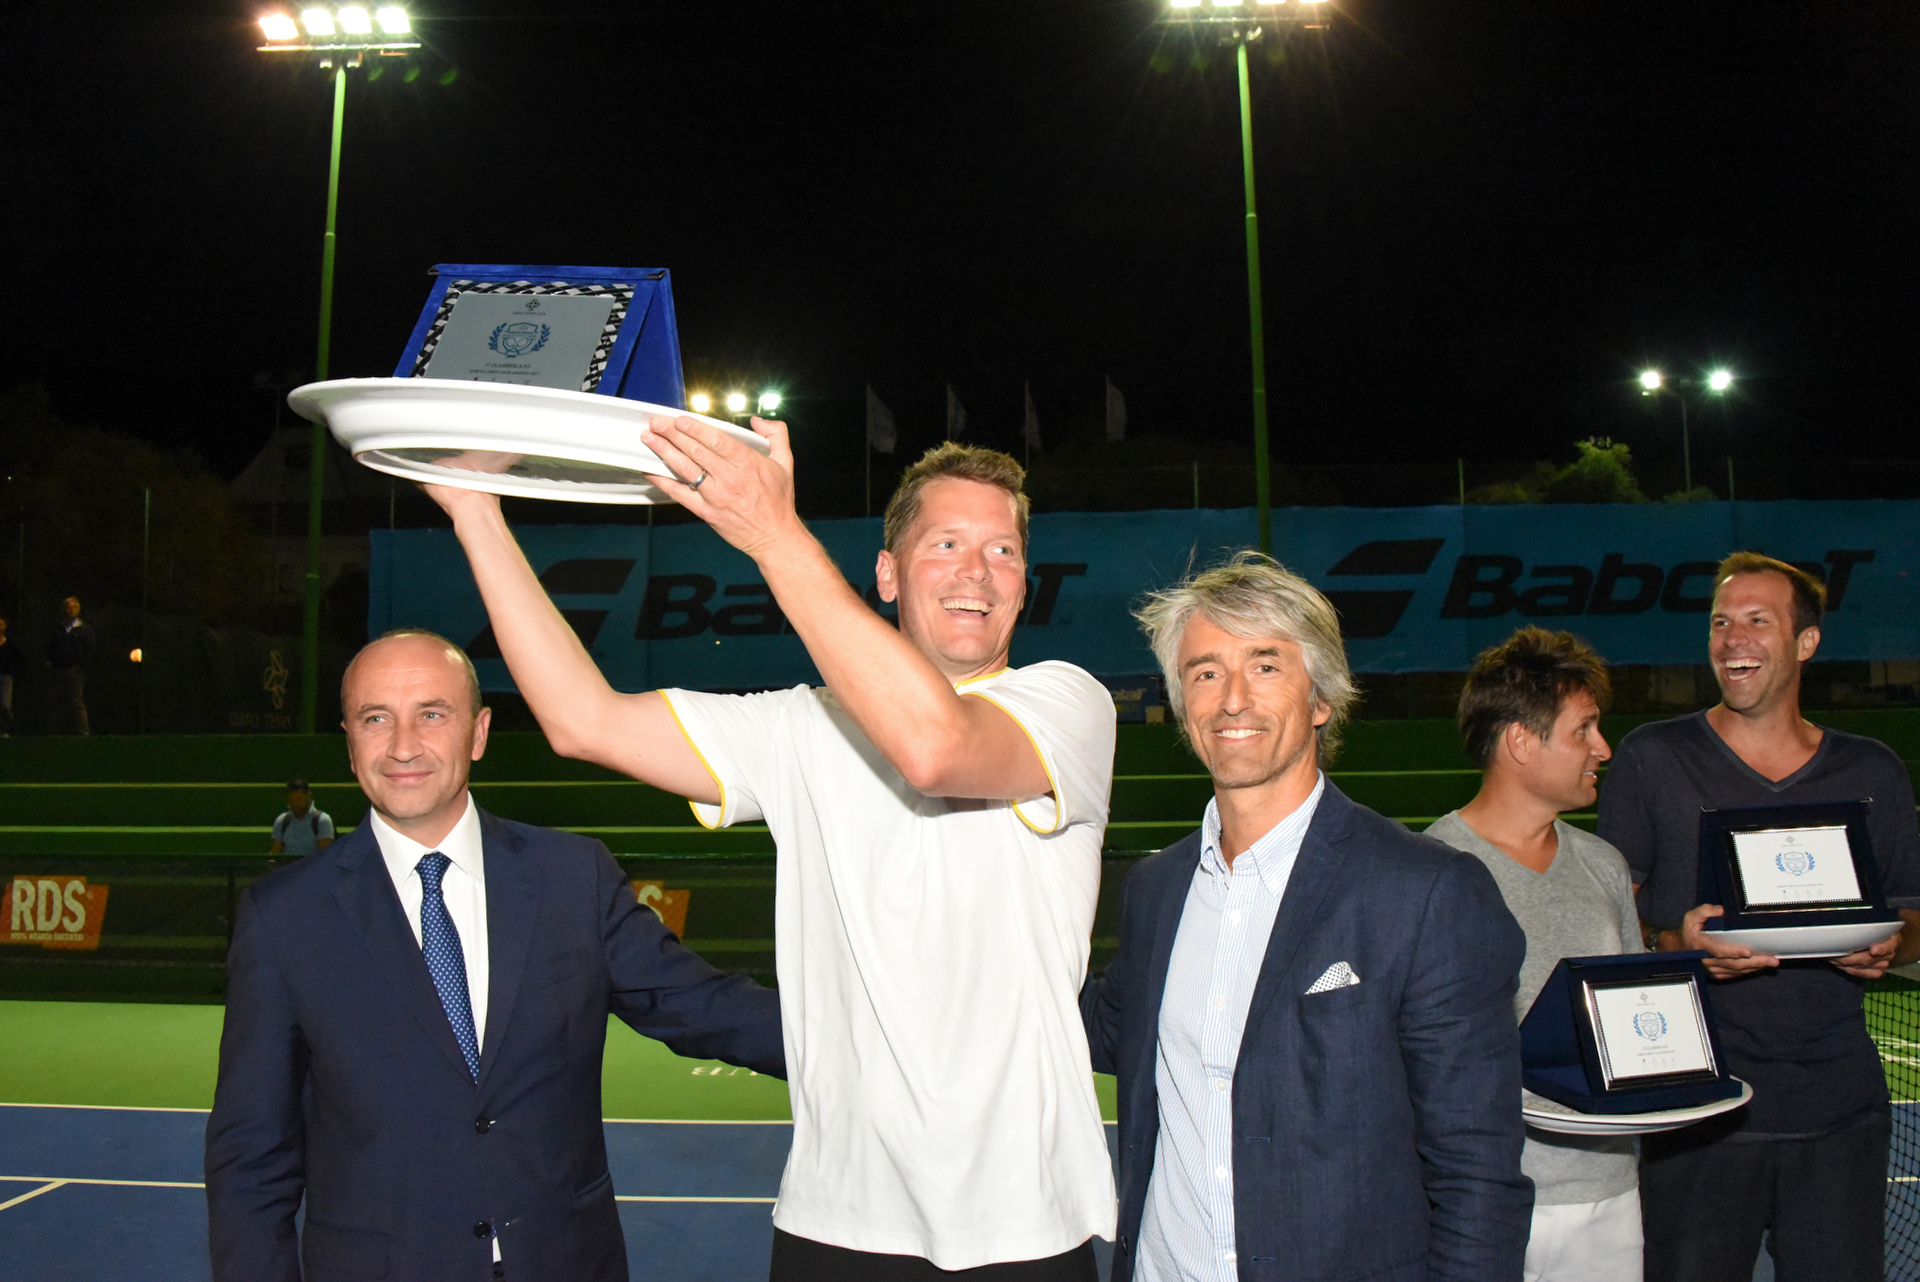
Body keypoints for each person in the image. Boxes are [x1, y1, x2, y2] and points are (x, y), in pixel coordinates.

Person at [424, 429, 1117, 1280]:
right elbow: (583, 720)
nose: (977, 570)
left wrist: (775, 535)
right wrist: (474, 511)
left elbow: (934, 749)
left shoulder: (1066, 705)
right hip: (835, 1221)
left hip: (1022, 1226)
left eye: (1001, 550)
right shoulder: (800, 726)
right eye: (946, 544)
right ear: (888, 573)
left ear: (1023, 584)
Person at [204, 630, 784, 1282]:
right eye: (376, 719)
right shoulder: (284, 917)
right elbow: (251, 1156)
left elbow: (705, 1007)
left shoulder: (573, 876)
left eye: (432, 714)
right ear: (349, 741)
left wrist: (867, 1040)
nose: (402, 745)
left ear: (478, 733)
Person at [1082, 552, 1533, 1282]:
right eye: (1205, 672)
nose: (1232, 700)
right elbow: (1092, 1026)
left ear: (1321, 699)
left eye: (1265, 666)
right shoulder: (1155, 892)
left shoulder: (1427, 892)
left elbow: (1476, 1176)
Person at [1596, 551, 1920, 1282]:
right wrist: (1676, 943)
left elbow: (1912, 914)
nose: (1732, 639)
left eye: (1756, 621)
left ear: (1806, 642)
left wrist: (1891, 946)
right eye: (1720, 622)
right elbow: (1610, 922)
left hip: (1839, 1109)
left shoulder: (1872, 771)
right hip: (1694, 1107)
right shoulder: (1653, 758)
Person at [1425, 627, 1643, 1282]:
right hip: (1475, 1203)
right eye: (1584, 730)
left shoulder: (1605, 865)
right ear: (1521, 742)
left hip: (1609, 1195)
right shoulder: (1427, 871)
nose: (1603, 748)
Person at [46, 595, 94, 735]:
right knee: (56, 701)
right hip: (57, 670)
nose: (71, 610)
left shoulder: (84, 629)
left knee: (76, 702)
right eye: (68, 607)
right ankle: (56, 732)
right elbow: (50, 647)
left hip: (74, 671)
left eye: (74, 607)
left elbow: (90, 650)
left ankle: (82, 731)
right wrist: (50, 662)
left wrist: (80, 666)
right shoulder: (57, 629)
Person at [268, 777, 335, 857]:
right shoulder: (282, 821)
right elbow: (275, 854)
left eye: (299, 799)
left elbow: (324, 857)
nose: (295, 804)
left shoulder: (322, 820)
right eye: (291, 800)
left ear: (308, 795)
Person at [0, 614, 23, 736]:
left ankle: (5, 731)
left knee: (5, 705)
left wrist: (12, 671)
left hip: (6, 677)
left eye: (1, 624)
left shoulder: (10, 643)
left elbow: (18, 659)